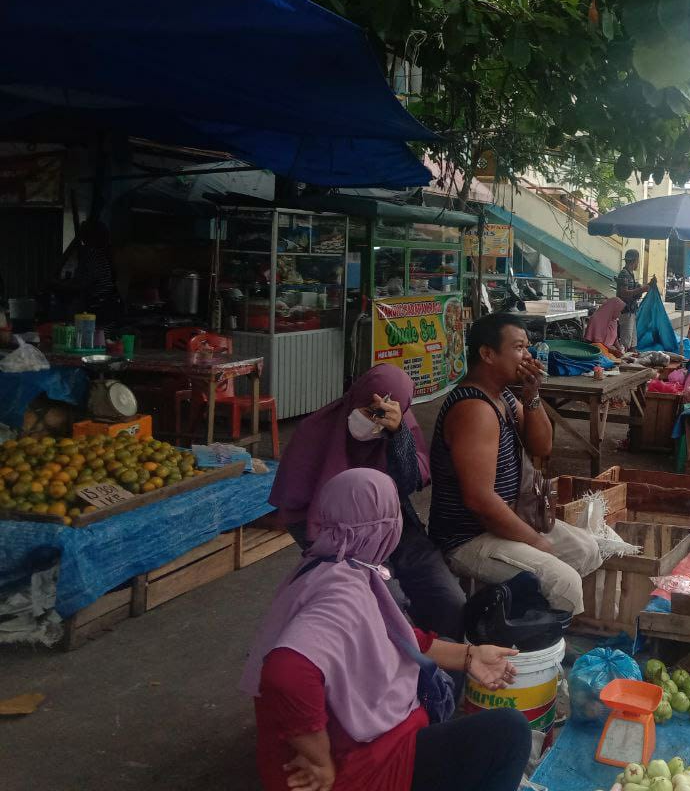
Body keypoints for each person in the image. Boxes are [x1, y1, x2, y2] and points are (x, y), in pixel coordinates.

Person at [242, 468, 531, 791]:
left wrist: (469, 656)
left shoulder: (327, 564)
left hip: (358, 752)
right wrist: (319, 758)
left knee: (439, 673)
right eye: (393, 515)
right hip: (360, 769)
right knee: (510, 731)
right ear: (380, 530)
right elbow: (286, 673)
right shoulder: (340, 594)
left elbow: (397, 637)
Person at [270, 365, 465, 641]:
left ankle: (445, 674)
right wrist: (335, 558)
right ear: (355, 399)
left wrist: (397, 435)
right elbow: (297, 509)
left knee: (449, 601)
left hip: (398, 529)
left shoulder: (400, 429)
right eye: (370, 412)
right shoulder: (315, 432)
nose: (375, 421)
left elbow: (410, 481)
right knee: (387, 608)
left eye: (384, 414)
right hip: (342, 544)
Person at [428, 314, 602, 614]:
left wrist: (533, 394)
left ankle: (528, 619)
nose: (528, 356)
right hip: (468, 537)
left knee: (586, 550)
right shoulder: (475, 409)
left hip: (507, 521)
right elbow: (479, 499)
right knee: (564, 583)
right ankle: (535, 645)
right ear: (487, 354)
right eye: (519, 347)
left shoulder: (503, 397)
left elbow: (542, 446)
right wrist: (535, 540)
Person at [614, 249, 647, 351]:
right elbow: (624, 293)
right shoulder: (624, 274)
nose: (638, 263)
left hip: (631, 311)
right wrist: (641, 289)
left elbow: (631, 292)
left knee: (633, 342)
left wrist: (639, 289)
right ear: (635, 260)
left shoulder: (630, 274)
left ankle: (631, 360)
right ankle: (624, 362)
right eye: (638, 260)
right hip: (625, 311)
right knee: (626, 341)